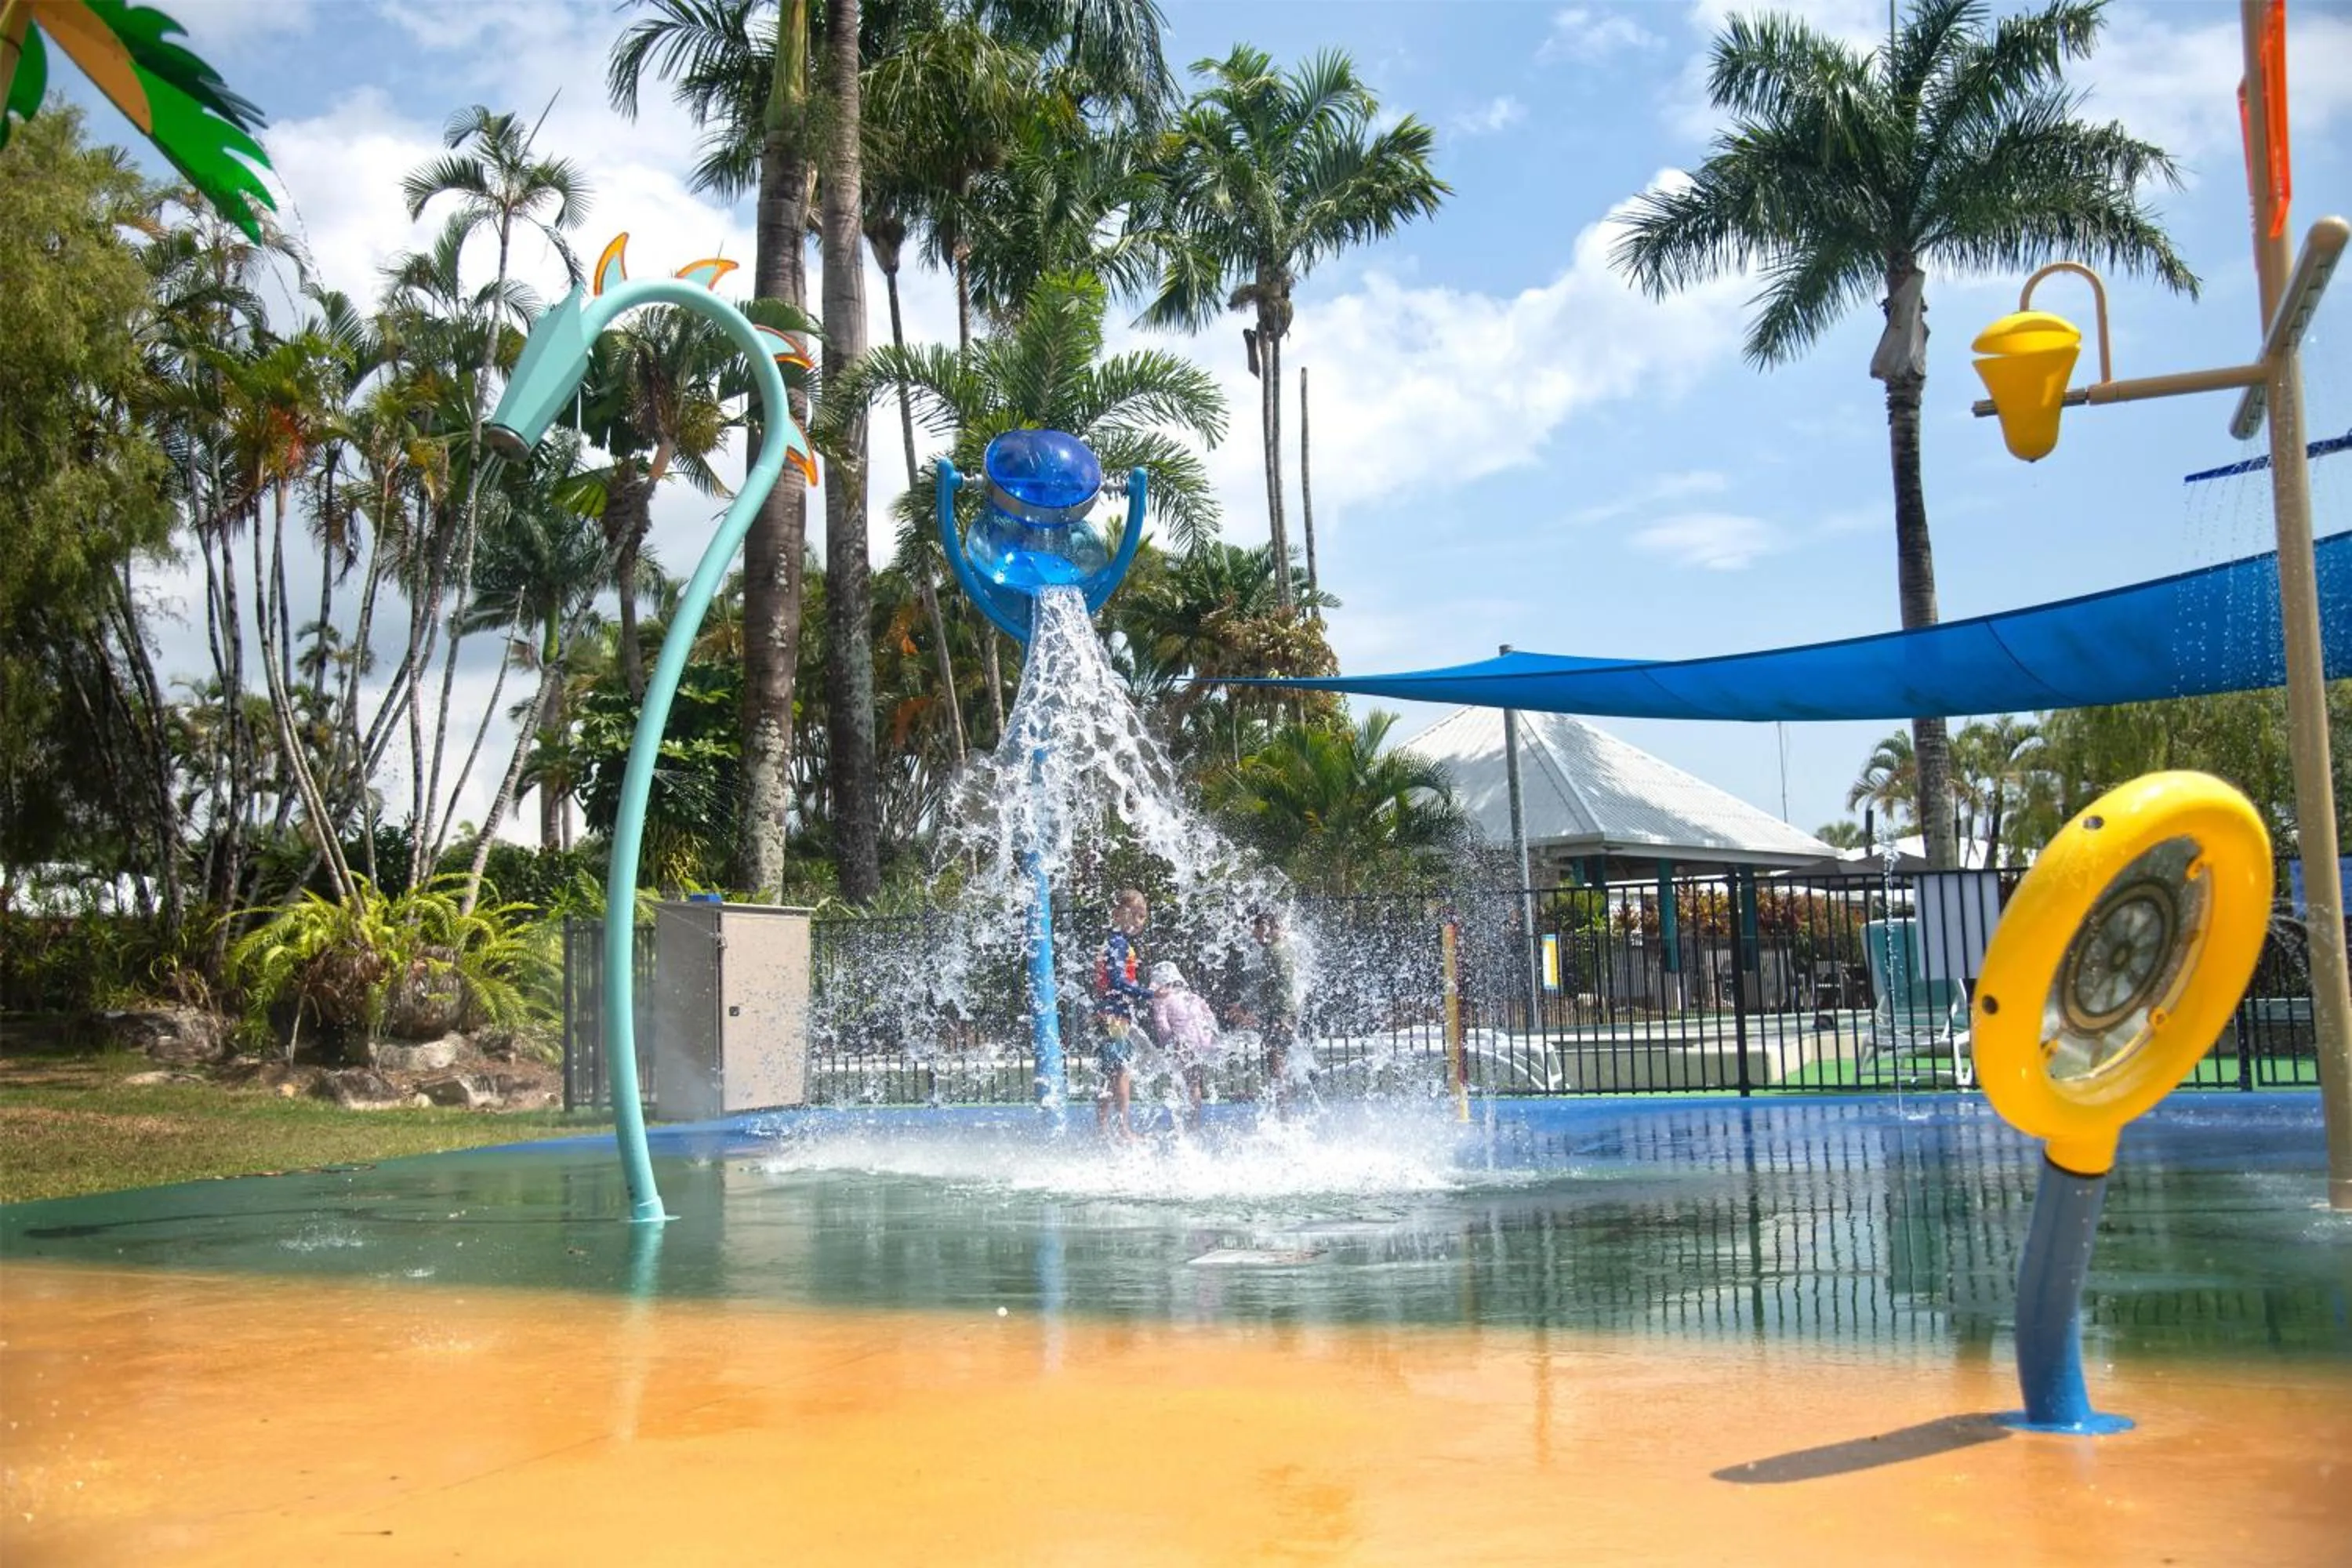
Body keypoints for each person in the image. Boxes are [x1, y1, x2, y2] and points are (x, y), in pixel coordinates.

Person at [1093, 889, 1151, 1141]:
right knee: (1121, 1072)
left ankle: (1103, 1129)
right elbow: (1118, 982)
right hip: (1114, 1016)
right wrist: (1150, 994)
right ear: (1117, 915)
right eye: (1135, 915)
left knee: (1108, 1072)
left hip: (1108, 1014)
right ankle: (1124, 1129)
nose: (1139, 921)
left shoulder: (1112, 942)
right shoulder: (1118, 944)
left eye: (1143, 916)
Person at [1148, 960, 1223, 1129]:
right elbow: (1210, 1017)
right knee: (1194, 1082)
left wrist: (1167, 1044)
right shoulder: (1192, 997)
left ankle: (1182, 1121)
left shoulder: (1162, 1000)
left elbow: (1161, 1024)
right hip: (1202, 1042)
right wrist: (1212, 1037)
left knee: (1180, 1081)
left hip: (1183, 1043)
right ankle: (1194, 1120)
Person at [1244, 908, 1301, 1111]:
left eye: (1256, 931)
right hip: (1286, 1012)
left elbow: (1278, 985)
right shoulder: (1285, 947)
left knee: (1276, 1065)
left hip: (1280, 1014)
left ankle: (1284, 1116)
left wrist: (1254, 1010)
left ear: (1265, 928)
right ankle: (1286, 1112)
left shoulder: (1273, 951)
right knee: (1280, 1063)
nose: (1254, 936)